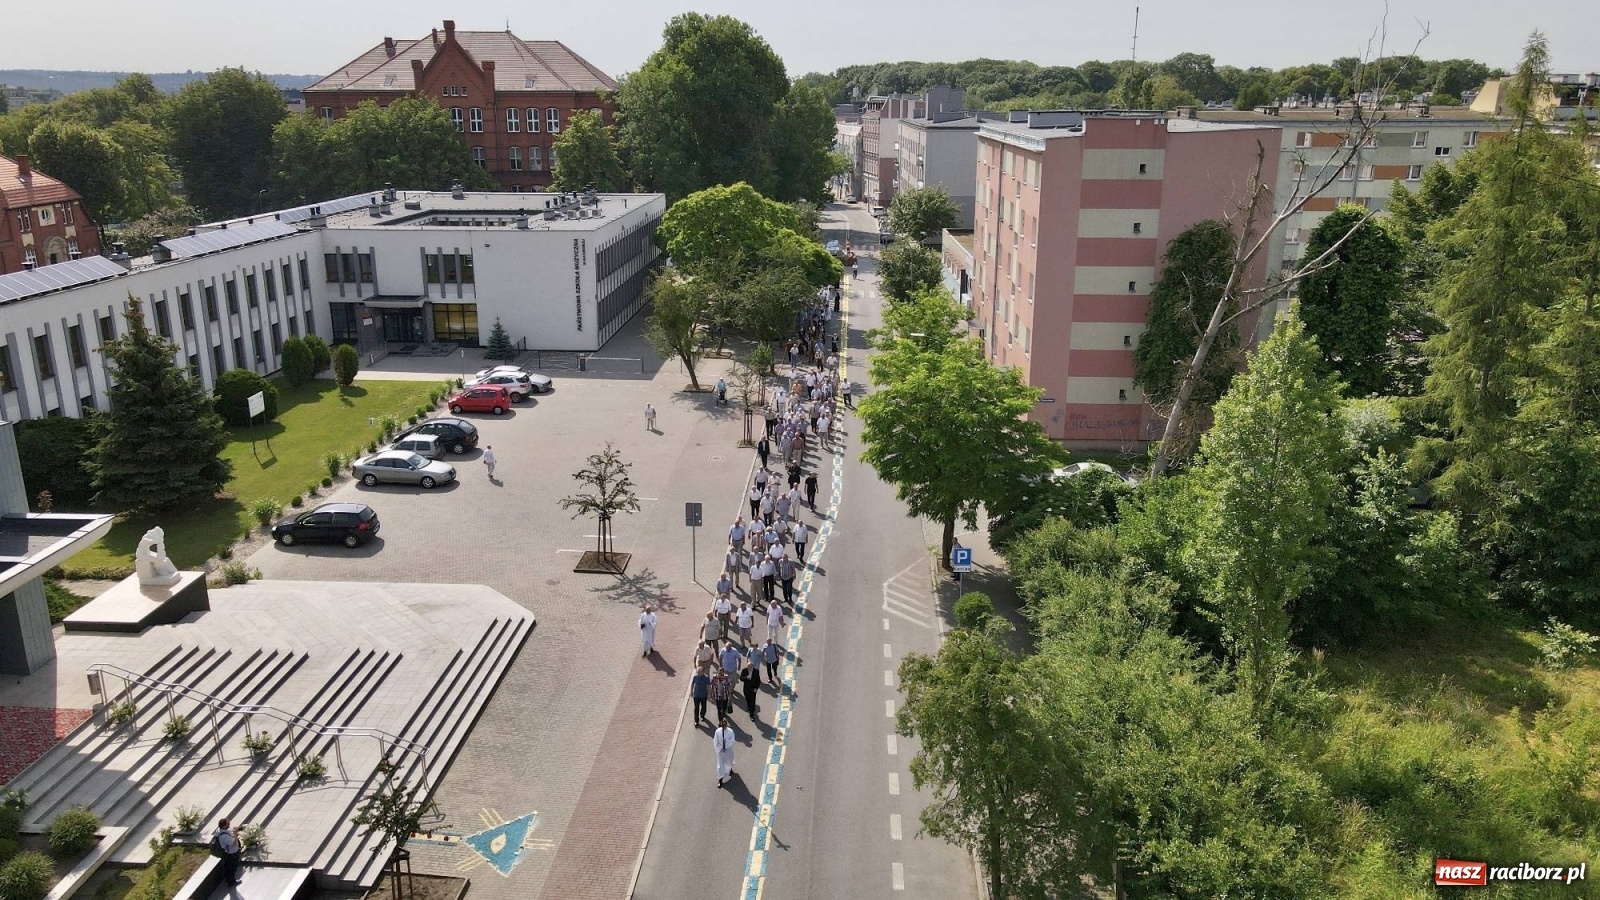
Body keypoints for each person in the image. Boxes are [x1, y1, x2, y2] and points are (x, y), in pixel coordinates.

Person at [213, 819, 243, 886]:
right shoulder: (224, 837)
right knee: (232, 868)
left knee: (228, 867)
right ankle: (231, 882)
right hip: (231, 854)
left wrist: (235, 830)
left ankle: (228, 879)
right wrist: (235, 834)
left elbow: (229, 832)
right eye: (228, 824)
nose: (229, 825)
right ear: (224, 826)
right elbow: (234, 844)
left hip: (231, 853)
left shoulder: (221, 830)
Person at [713, 717, 737, 786]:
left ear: (726, 725)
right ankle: (720, 779)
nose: (723, 727)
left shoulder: (730, 731)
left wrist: (726, 742)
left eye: (724, 726)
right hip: (721, 751)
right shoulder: (717, 732)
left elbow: (732, 741)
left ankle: (730, 770)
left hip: (728, 750)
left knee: (729, 762)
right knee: (720, 765)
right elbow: (715, 741)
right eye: (722, 726)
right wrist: (720, 748)